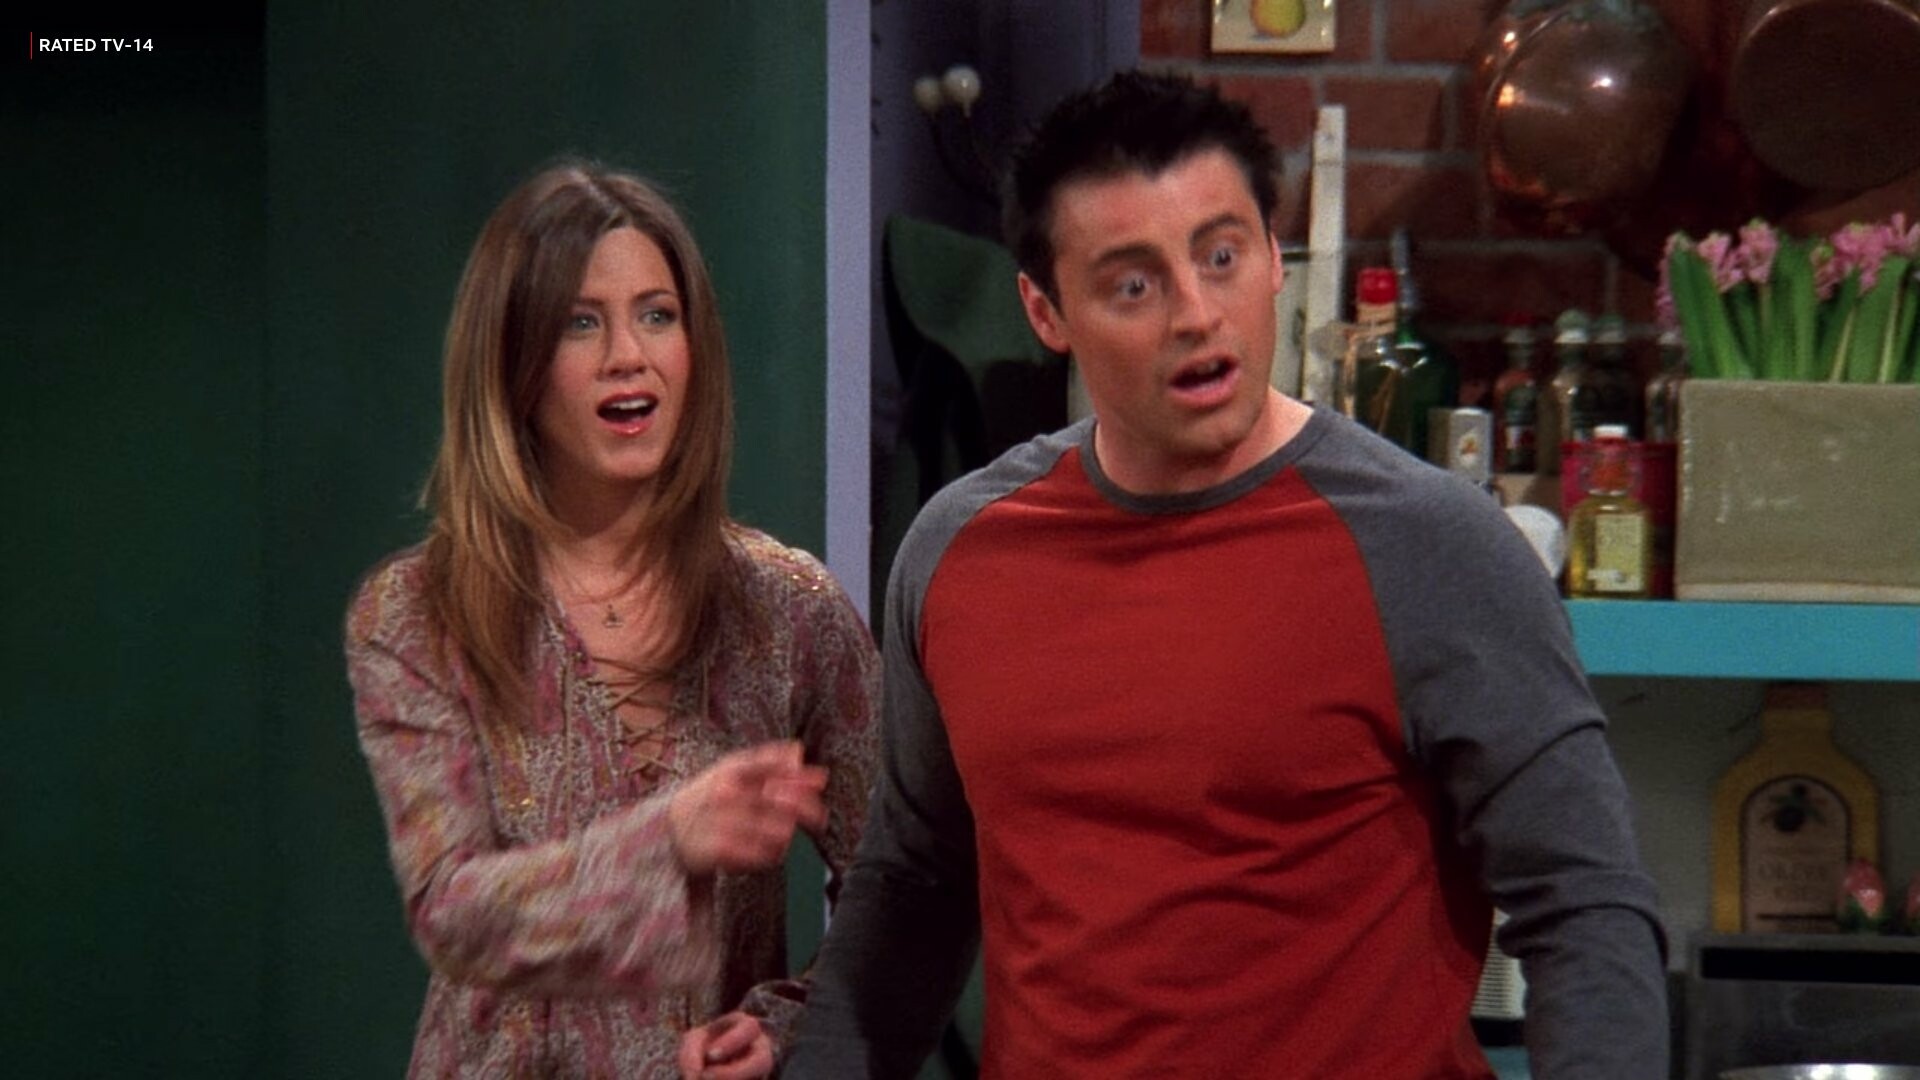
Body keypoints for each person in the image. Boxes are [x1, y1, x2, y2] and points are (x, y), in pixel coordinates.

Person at [785, 72, 1667, 1078]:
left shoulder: (1432, 545)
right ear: (1046, 311)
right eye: (1133, 286)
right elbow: (914, 884)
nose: (1196, 314)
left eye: (1221, 256)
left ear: (1274, 257)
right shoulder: (959, 549)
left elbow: (1585, 903)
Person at [343, 162, 879, 1079]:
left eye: (657, 315)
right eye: (579, 323)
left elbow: (901, 880)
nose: (628, 354)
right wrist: (667, 838)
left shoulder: (790, 608)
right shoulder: (417, 613)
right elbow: (453, 911)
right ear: (513, 364)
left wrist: (789, 1025)